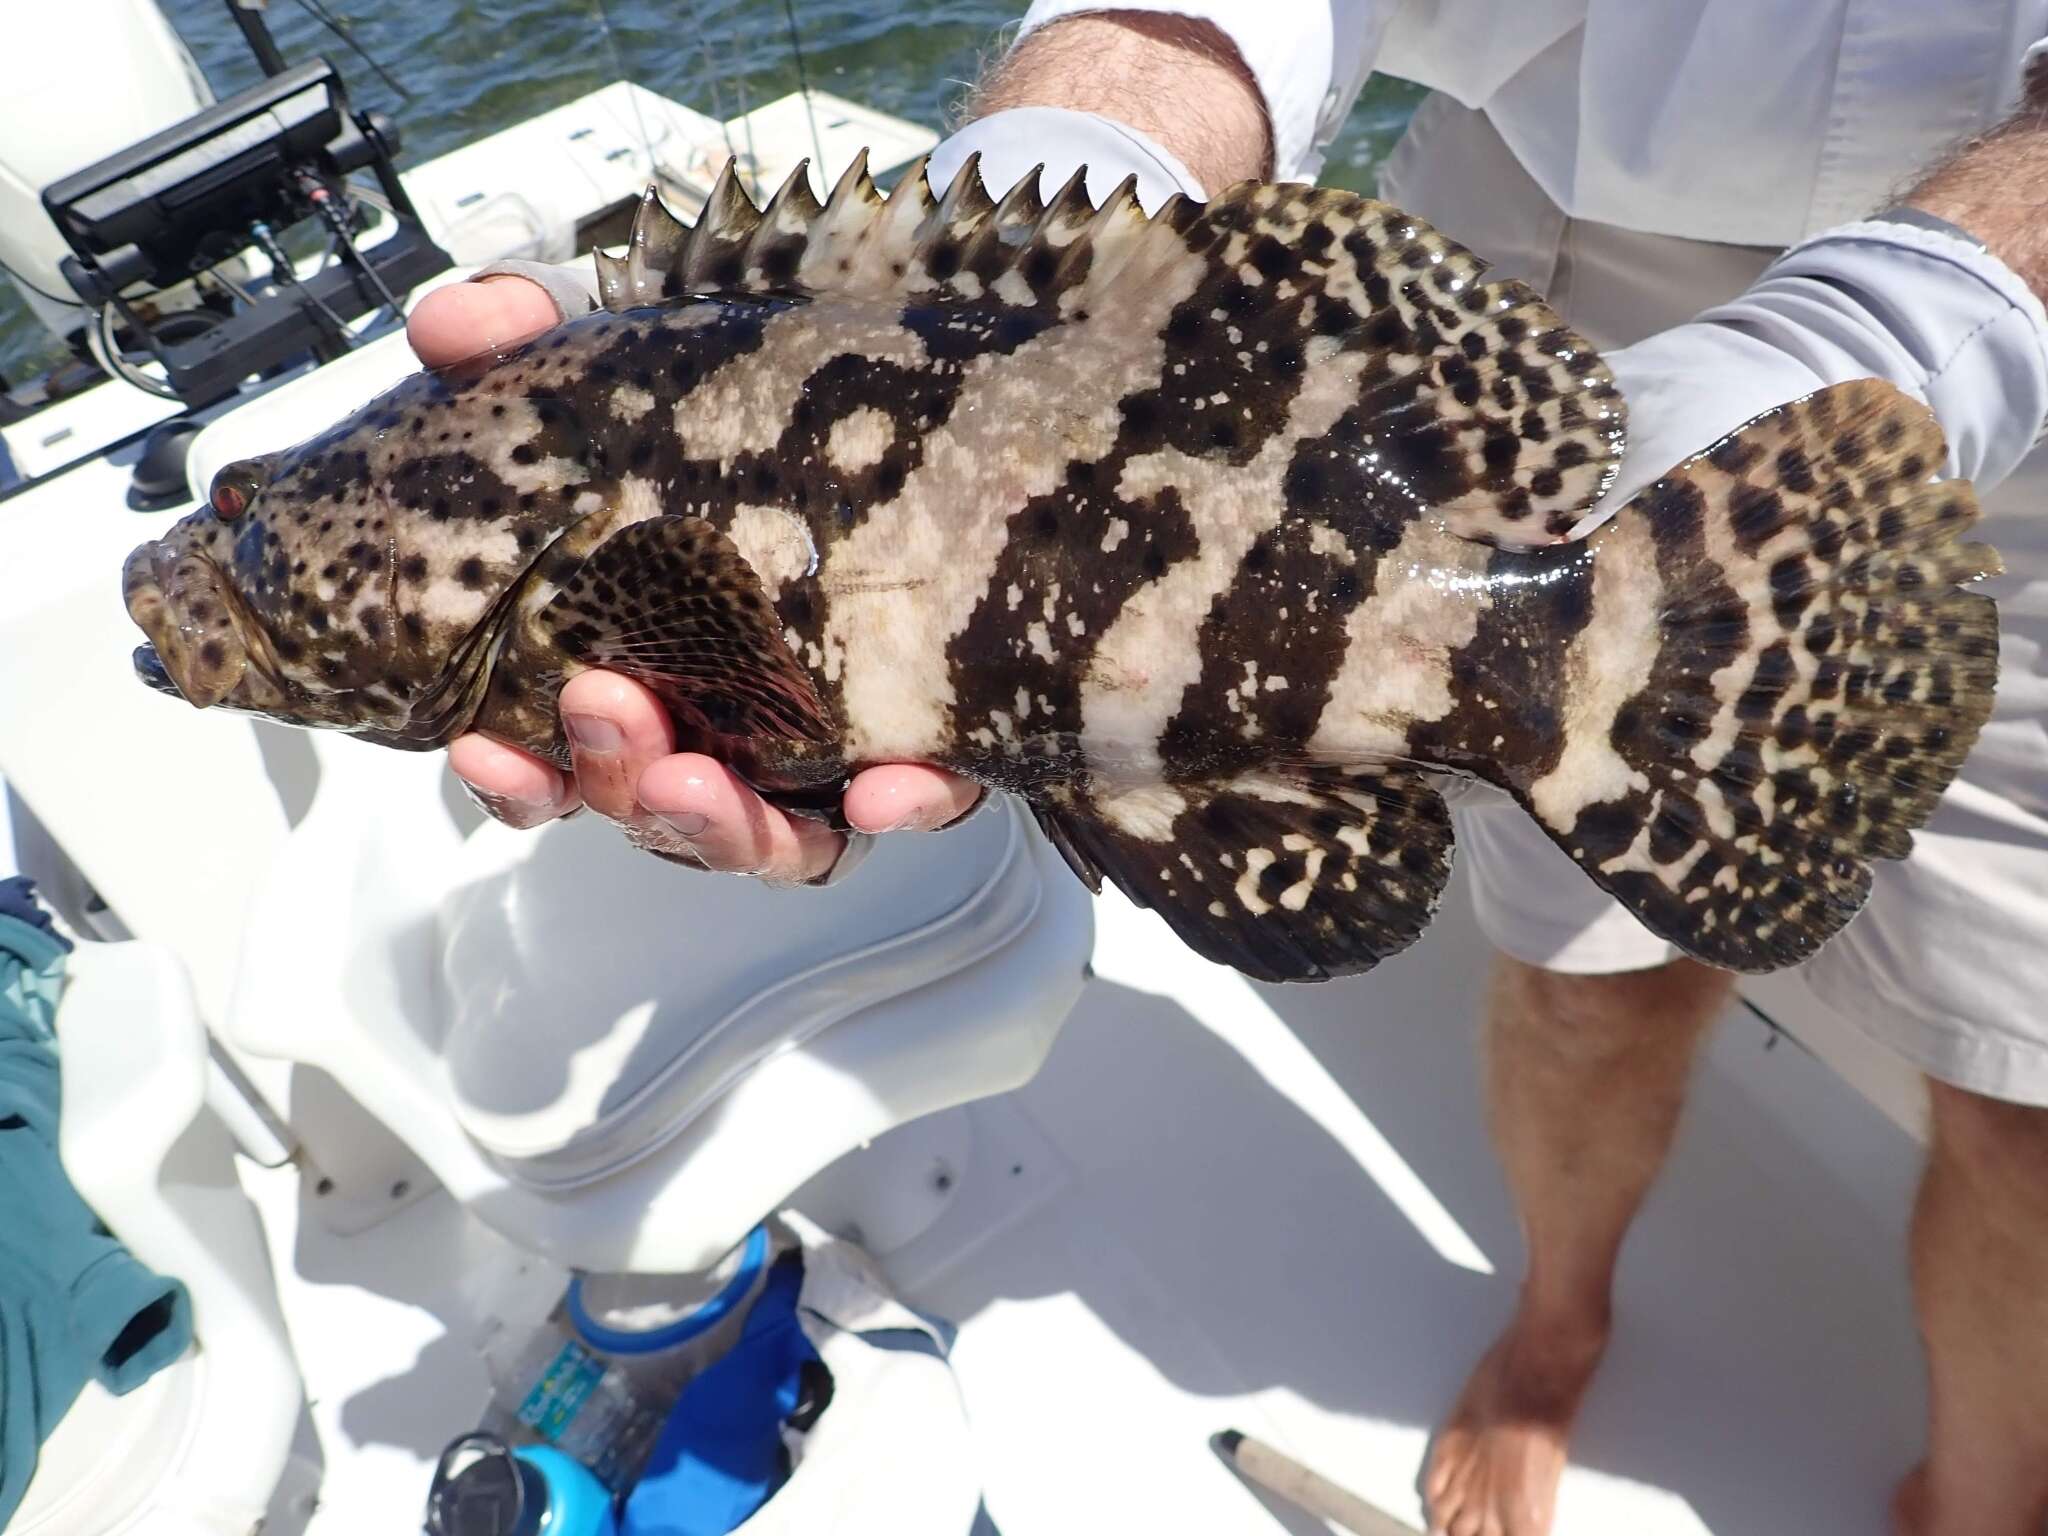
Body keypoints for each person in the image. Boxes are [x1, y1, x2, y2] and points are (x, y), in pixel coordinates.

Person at [410, 6, 2048, 1533]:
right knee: (1583, 970)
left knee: (2028, 1086)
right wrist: (1063, 211)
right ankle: (1560, 1324)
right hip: (1544, 209)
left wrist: (1922, 315)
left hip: (2025, 262)